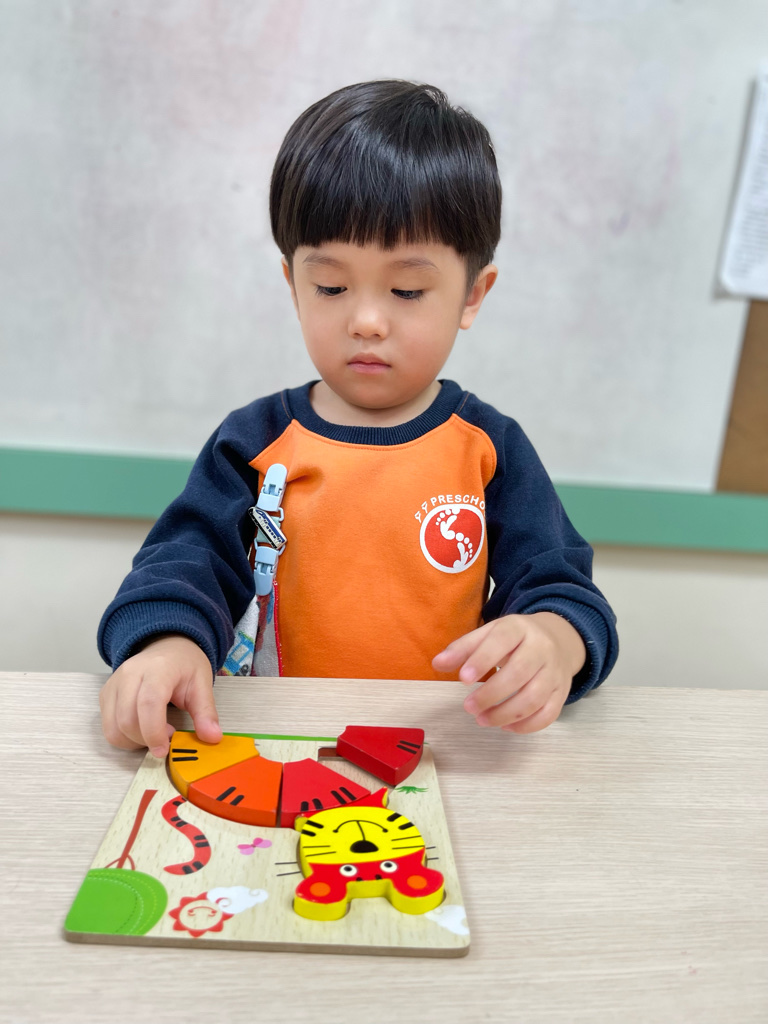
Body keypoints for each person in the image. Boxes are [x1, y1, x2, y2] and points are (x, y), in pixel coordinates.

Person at [98, 80, 618, 759]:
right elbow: (184, 563)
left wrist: (555, 640)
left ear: (472, 294)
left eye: (406, 289)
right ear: (293, 285)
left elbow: (558, 585)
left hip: (437, 754)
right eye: (331, 286)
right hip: (275, 745)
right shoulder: (252, 443)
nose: (367, 320)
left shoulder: (489, 448)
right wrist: (165, 643)